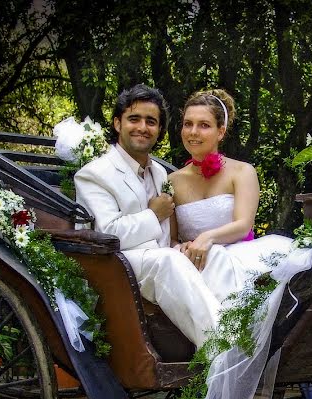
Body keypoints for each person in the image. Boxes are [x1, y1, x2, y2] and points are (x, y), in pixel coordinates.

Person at [74, 84, 224, 348]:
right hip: (117, 267)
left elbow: (166, 240)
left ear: (159, 131)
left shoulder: (160, 174)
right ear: (117, 124)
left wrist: (180, 247)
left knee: (209, 257)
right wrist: (153, 215)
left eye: (151, 122)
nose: (142, 127)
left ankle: (239, 331)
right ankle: (222, 346)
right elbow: (108, 233)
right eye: (134, 119)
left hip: (158, 263)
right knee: (168, 260)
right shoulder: (94, 174)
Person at [168, 89, 292, 302]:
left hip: (240, 262)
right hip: (194, 268)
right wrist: (180, 247)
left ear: (221, 132)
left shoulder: (242, 172)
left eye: (204, 125)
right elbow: (170, 238)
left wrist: (206, 238)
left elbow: (244, 224)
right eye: (188, 124)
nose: (193, 132)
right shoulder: (171, 182)